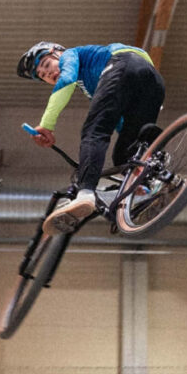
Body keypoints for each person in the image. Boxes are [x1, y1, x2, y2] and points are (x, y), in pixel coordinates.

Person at [17, 41, 165, 234]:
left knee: (93, 131)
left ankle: (85, 193)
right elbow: (119, 121)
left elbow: (67, 80)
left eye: (46, 65)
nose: (49, 74)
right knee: (126, 156)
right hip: (152, 81)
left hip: (123, 63)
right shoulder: (92, 82)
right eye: (43, 76)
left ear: (57, 52)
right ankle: (158, 181)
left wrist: (46, 125)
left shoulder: (71, 54)